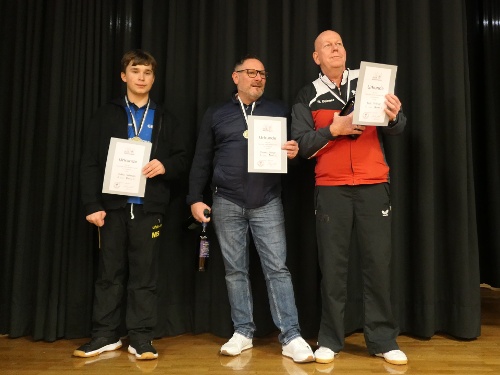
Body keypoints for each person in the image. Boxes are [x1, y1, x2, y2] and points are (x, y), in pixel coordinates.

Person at [187, 55, 315, 363]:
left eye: (262, 74)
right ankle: (243, 332)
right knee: (235, 270)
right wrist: (194, 198)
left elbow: (293, 151)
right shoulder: (216, 113)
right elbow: (202, 158)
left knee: (278, 269)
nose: (258, 78)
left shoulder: (279, 110)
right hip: (226, 201)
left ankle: (292, 335)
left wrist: (294, 152)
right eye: (251, 73)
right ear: (236, 77)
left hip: (267, 199)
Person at [291, 30, 408, 366]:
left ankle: (383, 340)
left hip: (373, 185)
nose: (335, 48)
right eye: (327, 45)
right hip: (331, 188)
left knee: (378, 266)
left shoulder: (370, 81)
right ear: (316, 57)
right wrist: (334, 130)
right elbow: (302, 145)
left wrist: (395, 114)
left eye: (340, 43)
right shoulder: (307, 95)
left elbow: (396, 127)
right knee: (333, 267)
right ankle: (329, 339)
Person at [74, 49, 189, 360]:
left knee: (144, 275)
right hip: (111, 208)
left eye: (148, 72)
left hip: (149, 208)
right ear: (124, 76)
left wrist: (165, 165)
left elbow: (182, 159)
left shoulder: (164, 117)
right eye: (136, 71)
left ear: (153, 78)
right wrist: (91, 204)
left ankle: (140, 337)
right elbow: (89, 163)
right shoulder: (105, 114)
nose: (142, 77)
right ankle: (105, 335)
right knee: (109, 273)